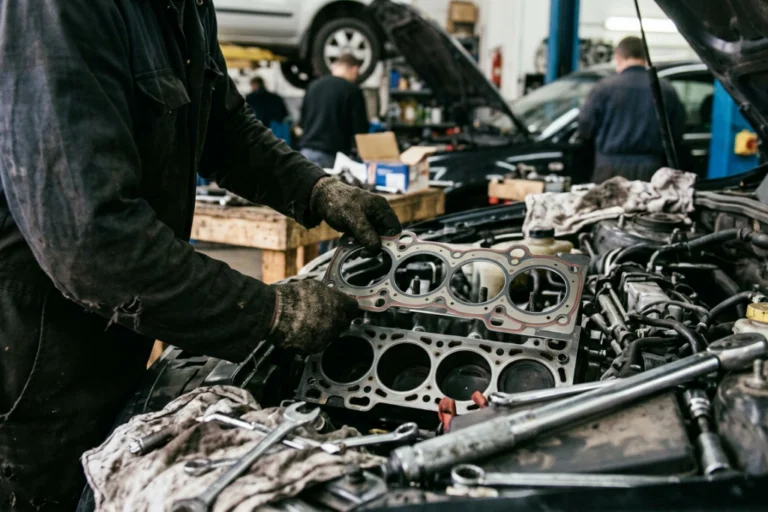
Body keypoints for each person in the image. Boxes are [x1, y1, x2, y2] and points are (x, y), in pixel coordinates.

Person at [0, 1, 401, 510]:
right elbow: (90, 244)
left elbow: (224, 128)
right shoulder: (58, 11)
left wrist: (318, 190)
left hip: (116, 335)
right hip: (32, 362)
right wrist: (270, 312)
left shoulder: (186, 7)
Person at [578, 36, 687, 183]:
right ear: (645, 57)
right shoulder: (665, 89)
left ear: (618, 56)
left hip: (609, 169)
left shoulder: (603, 88)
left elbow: (585, 127)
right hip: (651, 170)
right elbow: (677, 130)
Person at [299, 53, 371, 169]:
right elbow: (360, 129)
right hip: (331, 156)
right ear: (355, 70)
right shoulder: (352, 90)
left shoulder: (313, 86)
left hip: (306, 152)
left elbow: (302, 121)